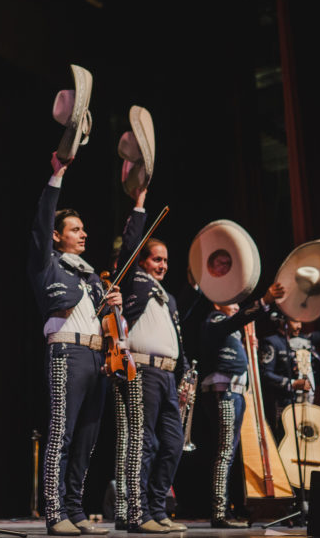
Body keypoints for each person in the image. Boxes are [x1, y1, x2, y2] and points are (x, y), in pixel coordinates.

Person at [28, 152, 121, 536]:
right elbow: (40, 221)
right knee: (62, 432)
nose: (83, 234)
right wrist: (57, 177)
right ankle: (54, 512)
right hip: (66, 351)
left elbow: (109, 321)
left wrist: (113, 305)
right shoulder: (46, 262)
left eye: (84, 229)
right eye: (74, 229)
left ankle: (75, 510)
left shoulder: (92, 276)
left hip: (96, 355)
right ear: (56, 233)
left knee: (88, 436)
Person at [111, 189, 190, 534]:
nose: (162, 265)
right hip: (142, 370)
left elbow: (176, 339)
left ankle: (157, 509)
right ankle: (137, 512)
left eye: (166, 261)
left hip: (169, 377)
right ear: (143, 261)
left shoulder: (168, 297)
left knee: (173, 444)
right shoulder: (134, 282)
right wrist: (140, 207)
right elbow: (128, 249)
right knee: (144, 443)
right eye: (157, 259)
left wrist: (184, 375)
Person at [199, 282, 284, 529]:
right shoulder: (214, 319)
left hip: (235, 392)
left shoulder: (232, 329)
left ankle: (226, 507)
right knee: (225, 451)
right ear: (217, 303)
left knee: (229, 451)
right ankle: (219, 511)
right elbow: (230, 324)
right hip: (223, 392)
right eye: (231, 299)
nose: (236, 304)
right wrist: (263, 302)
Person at [258, 305, 320, 438]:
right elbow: (265, 374)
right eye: (295, 321)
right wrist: (293, 383)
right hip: (284, 404)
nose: (299, 326)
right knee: (286, 439)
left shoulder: (305, 340)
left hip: (308, 402)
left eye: (300, 322)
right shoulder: (272, 342)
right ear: (282, 321)